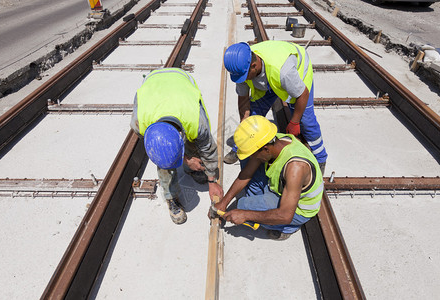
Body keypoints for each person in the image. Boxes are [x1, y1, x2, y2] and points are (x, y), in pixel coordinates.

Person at [130, 67, 223, 224]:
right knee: (164, 160)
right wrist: (186, 160)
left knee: (196, 144)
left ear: (182, 135)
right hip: (152, 84)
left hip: (180, 79)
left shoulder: (196, 121)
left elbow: (208, 149)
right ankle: (171, 198)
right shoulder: (139, 123)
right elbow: (160, 153)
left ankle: (193, 168)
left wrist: (212, 181)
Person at [223, 40, 327, 174]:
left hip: (297, 73)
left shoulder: (284, 72)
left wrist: (294, 122)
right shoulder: (241, 68)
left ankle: (320, 158)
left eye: (244, 77)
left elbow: (303, 94)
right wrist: (245, 121)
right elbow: (243, 98)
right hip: (268, 80)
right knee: (253, 116)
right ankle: (239, 147)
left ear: (254, 66)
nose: (242, 80)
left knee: (306, 120)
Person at [212, 115, 323, 240]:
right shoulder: (274, 141)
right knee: (248, 162)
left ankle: (287, 228)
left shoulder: (296, 168)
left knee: (244, 205)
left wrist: (245, 214)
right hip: (281, 188)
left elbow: (285, 215)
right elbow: (246, 174)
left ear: (265, 149)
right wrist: (224, 202)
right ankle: (260, 205)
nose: (254, 157)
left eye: (255, 154)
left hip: (297, 209)